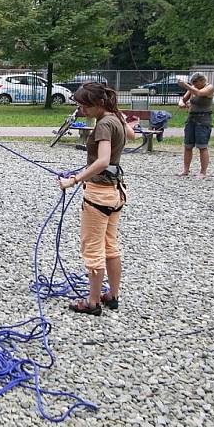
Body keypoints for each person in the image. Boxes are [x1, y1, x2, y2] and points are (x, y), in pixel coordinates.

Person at [58, 83, 135, 315]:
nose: (82, 110)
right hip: (115, 192)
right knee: (110, 245)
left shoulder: (103, 124)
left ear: (98, 103)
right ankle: (113, 294)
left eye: (85, 106)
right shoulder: (116, 117)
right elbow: (131, 134)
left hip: (99, 194)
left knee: (92, 248)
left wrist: (74, 180)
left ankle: (92, 302)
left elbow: (102, 161)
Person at [177, 72, 214, 179]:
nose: (193, 84)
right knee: (188, 145)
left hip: (203, 120)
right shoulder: (193, 88)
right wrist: (181, 103)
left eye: (195, 82)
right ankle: (185, 169)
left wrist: (186, 85)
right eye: (192, 82)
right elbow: (183, 99)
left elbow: (199, 93)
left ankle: (203, 172)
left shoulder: (209, 87)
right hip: (191, 119)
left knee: (202, 146)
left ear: (202, 81)